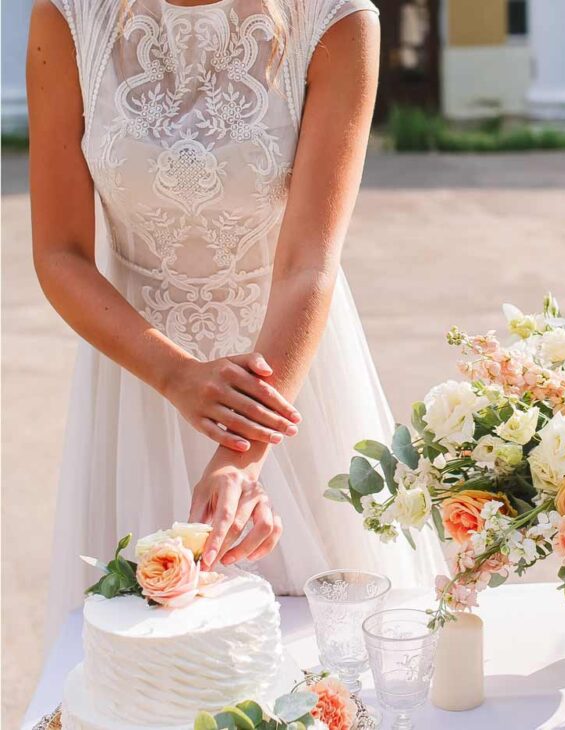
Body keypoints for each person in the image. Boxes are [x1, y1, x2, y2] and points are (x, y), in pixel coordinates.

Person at [27, 0, 444, 646]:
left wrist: (239, 459)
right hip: (137, 374)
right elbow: (60, 253)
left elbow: (309, 263)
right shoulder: (68, 14)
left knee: (323, 661)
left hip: (284, 370)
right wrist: (174, 374)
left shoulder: (336, 19)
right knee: (139, 669)